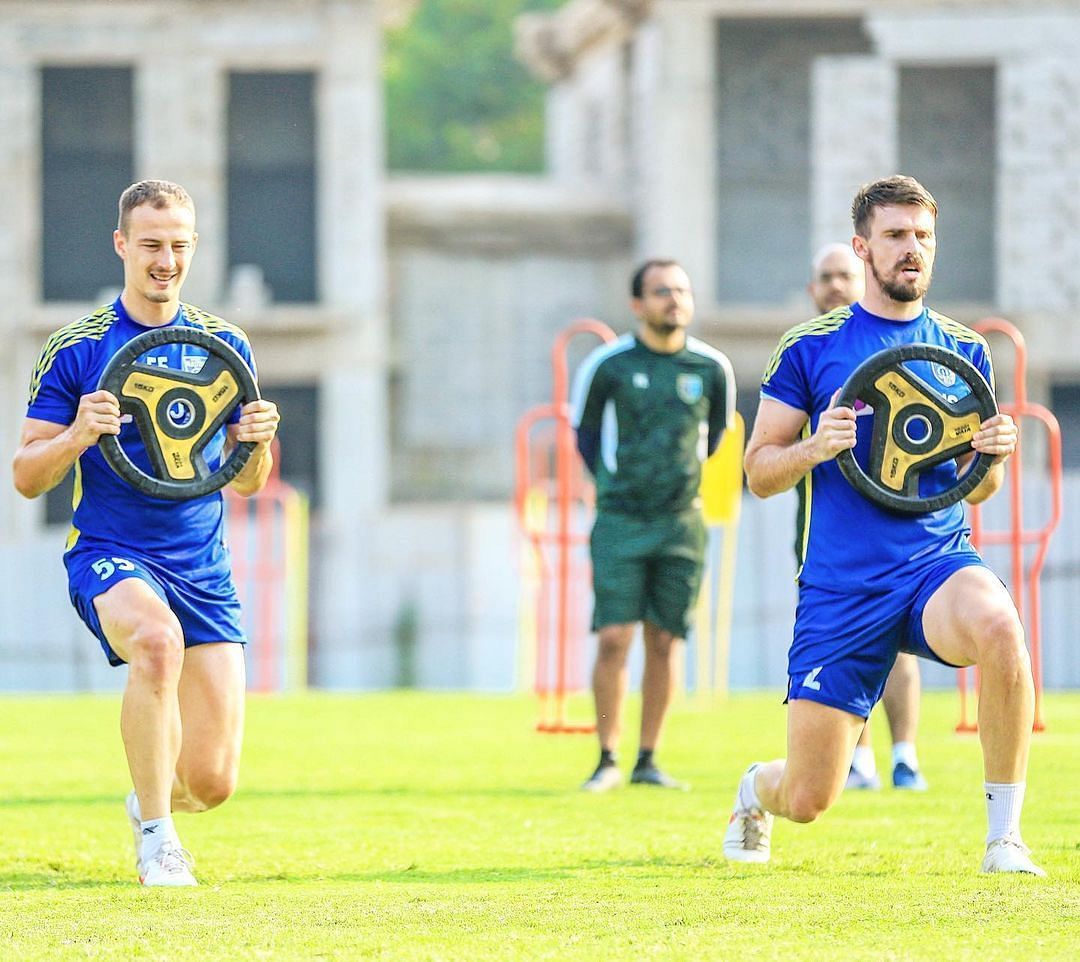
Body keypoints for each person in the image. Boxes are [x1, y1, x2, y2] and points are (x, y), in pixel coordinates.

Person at [723, 175, 1043, 875]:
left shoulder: (966, 349)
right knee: (808, 797)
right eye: (896, 236)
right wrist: (816, 445)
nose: (912, 251)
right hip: (843, 585)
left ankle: (1005, 838)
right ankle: (754, 788)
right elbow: (759, 471)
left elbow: (980, 489)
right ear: (862, 247)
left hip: (936, 565)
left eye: (923, 237)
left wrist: (993, 457)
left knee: (1001, 628)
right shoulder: (810, 346)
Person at [13, 180, 280, 886]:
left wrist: (256, 442)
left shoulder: (224, 344)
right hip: (111, 553)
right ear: (122, 245)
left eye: (180, 246)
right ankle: (160, 843)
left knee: (213, 783)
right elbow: (26, 476)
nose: (166, 260)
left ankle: (150, 803)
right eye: (153, 245)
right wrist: (78, 434)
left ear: (193, 249)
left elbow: (248, 482)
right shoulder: (77, 347)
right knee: (155, 646)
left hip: (201, 566)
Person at [571, 259, 735, 792]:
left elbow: (713, 441)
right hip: (620, 520)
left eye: (682, 290)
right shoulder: (609, 364)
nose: (674, 300)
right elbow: (587, 438)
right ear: (638, 304)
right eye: (661, 291)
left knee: (666, 640)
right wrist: (619, 486)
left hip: (682, 524)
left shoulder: (712, 368)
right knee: (615, 637)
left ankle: (647, 758)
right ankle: (606, 756)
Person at [807, 243, 927, 792]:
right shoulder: (807, 351)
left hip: (907, 530)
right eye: (825, 277)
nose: (835, 284)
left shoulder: (910, 350)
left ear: (866, 278)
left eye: (844, 275)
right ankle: (861, 761)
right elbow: (761, 465)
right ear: (813, 290)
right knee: (852, 645)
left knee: (900, 646)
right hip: (827, 530)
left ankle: (905, 756)